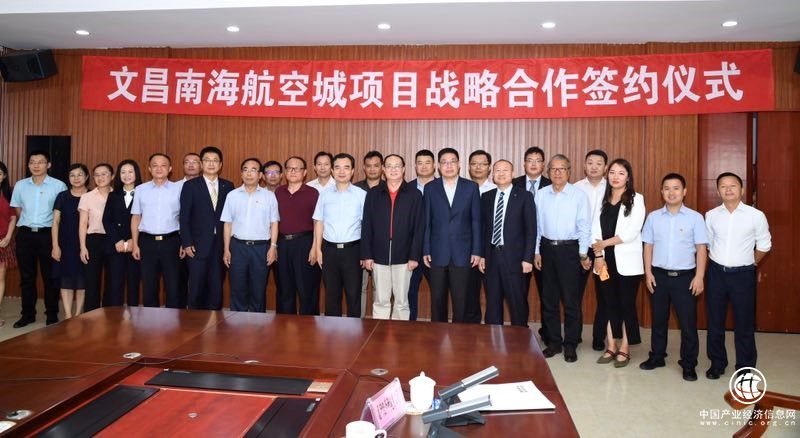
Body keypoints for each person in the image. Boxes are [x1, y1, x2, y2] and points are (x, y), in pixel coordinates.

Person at [640, 173, 708, 382]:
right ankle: (657, 356)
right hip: (658, 276)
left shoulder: (695, 218)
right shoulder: (653, 217)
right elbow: (648, 246)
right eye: (667, 188)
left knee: (687, 324)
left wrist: (699, 277)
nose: (671, 192)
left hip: (685, 278)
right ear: (661, 192)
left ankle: (689, 364)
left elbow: (701, 248)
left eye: (676, 188)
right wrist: (648, 273)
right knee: (658, 320)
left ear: (684, 191)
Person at [704, 172, 771, 379]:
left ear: (741, 190)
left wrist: (751, 262)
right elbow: (708, 243)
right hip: (716, 273)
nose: (728, 189)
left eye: (733, 185)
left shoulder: (755, 215)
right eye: (723, 186)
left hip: (743, 275)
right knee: (715, 322)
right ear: (718, 191)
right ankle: (717, 363)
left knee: (744, 324)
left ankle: (745, 368)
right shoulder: (711, 215)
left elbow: (764, 244)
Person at [534, 154, 591, 362]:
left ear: (569, 171)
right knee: (548, 300)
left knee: (571, 301)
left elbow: (585, 226)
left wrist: (583, 253)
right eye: (554, 169)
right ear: (548, 172)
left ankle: (570, 345)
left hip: (570, 251)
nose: (557, 172)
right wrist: (536, 251)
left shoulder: (579, 195)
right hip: (547, 249)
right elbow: (536, 226)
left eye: (562, 169)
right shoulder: (541, 195)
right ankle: (554, 343)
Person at [591, 159, 645, 368]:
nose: (615, 176)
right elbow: (594, 230)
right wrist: (598, 256)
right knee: (607, 302)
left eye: (621, 173)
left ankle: (625, 347)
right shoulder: (602, 199)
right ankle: (611, 345)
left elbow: (632, 232)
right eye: (612, 172)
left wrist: (604, 243)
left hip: (627, 262)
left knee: (626, 304)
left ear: (628, 177)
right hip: (604, 260)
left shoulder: (636, 199)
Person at [361, 154, 424, 320]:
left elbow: (419, 228)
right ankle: (380, 332)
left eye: (397, 166)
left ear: (403, 169)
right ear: (383, 169)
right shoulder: (374, 194)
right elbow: (366, 225)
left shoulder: (414, 194)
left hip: (404, 255)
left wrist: (414, 256)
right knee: (381, 300)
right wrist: (367, 255)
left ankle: (400, 333)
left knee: (402, 301)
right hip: (378, 255)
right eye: (389, 166)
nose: (393, 169)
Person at [423, 148, 481, 323]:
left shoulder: (471, 187)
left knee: (461, 300)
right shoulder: (430, 188)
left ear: (459, 164)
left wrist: (476, 250)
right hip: (437, 252)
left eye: (452, 161)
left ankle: (459, 335)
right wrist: (426, 249)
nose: (448, 166)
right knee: (437, 300)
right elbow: (427, 221)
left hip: (463, 253)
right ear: (438, 166)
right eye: (444, 162)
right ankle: (437, 334)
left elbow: (476, 221)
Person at [11, 151, 68, 327]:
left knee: (50, 277)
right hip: (25, 235)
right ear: (28, 165)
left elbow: (62, 213)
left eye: (40, 162)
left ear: (48, 165)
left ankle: (51, 314)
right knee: (26, 277)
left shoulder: (59, 186)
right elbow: (18, 209)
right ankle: (28, 314)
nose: (36, 165)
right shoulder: (20, 185)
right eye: (32, 162)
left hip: (48, 235)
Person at [479, 160, 536, 327]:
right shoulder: (487, 197)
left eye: (505, 170)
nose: (501, 174)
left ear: (512, 174)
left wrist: (528, 258)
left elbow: (531, 230)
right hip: (491, 256)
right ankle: (493, 337)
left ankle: (520, 338)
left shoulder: (524, 196)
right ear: (492, 174)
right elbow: (483, 229)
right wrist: (482, 255)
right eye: (497, 170)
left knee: (517, 302)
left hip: (516, 259)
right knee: (492, 303)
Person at [221, 158, 279, 312]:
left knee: (258, 290)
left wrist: (273, 247)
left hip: (261, 248)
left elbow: (274, 223)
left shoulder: (269, 196)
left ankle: (257, 323)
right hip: (237, 247)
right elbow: (227, 224)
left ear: (260, 175)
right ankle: (236, 322)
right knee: (237, 288)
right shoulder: (232, 195)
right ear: (241, 174)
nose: (249, 173)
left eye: (253, 170)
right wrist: (226, 249)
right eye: (245, 170)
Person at [313, 153, 367, 317]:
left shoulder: (361, 194)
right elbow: (319, 222)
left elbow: (367, 226)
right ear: (332, 170)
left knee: (353, 294)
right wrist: (318, 249)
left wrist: (365, 253)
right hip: (329, 250)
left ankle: (354, 329)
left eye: (346, 167)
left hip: (353, 251)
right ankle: (332, 330)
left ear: (352, 171)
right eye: (337, 167)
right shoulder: (324, 195)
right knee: (331, 295)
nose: (341, 171)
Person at [180, 146, 233, 310]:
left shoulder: (228, 186)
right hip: (196, 246)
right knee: (196, 288)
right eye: (207, 160)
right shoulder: (190, 186)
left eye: (215, 160)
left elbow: (231, 217)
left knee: (216, 288)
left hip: (220, 245)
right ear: (202, 164)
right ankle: (194, 322)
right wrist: (187, 242)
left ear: (221, 164)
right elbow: (184, 217)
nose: (211, 164)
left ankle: (215, 321)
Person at [131, 153, 185, 308]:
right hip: (147, 242)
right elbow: (136, 217)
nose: (159, 169)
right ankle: (150, 321)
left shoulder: (179, 189)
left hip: (172, 242)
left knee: (173, 286)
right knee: (149, 287)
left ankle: (173, 321)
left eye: (163, 165)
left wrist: (184, 242)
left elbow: (184, 217)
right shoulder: (140, 189)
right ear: (149, 169)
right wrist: (135, 244)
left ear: (170, 168)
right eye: (155, 165)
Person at [513, 146, 551, 338]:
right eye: (530, 160)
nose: (534, 164)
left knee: (547, 292)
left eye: (538, 160)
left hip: (545, 247)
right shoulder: (513, 184)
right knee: (519, 291)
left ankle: (547, 331)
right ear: (524, 164)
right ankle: (521, 329)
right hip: (520, 248)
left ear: (543, 164)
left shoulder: (552, 184)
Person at [275, 156, 321, 315]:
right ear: (285, 172)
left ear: (305, 172)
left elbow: (318, 222)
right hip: (282, 244)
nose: (293, 171)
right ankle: (284, 322)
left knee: (306, 288)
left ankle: (308, 324)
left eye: (297, 168)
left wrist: (315, 247)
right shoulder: (278, 192)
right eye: (289, 168)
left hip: (305, 243)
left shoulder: (313, 193)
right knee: (284, 288)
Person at [575, 149, 610, 351]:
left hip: (604, 250)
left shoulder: (613, 187)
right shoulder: (576, 188)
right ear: (584, 165)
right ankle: (575, 335)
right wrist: (581, 252)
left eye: (598, 163)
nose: (594, 167)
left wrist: (600, 251)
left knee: (604, 294)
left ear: (605, 168)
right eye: (590, 162)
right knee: (574, 294)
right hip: (580, 249)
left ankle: (599, 337)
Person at [103, 159, 142, 306]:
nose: (127, 175)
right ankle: (115, 316)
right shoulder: (113, 195)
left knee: (134, 283)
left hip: (136, 246)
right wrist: (117, 240)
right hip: (116, 246)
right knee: (115, 284)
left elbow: (145, 218)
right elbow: (107, 220)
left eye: (130, 172)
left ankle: (134, 315)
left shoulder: (143, 193)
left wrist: (133, 240)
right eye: (123, 172)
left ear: (136, 173)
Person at [51, 163, 88, 320]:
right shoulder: (62, 196)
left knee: (82, 280)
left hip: (86, 244)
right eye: (72, 175)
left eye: (79, 175)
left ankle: (78, 315)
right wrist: (55, 246)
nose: (76, 178)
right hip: (65, 243)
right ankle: (67, 315)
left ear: (86, 177)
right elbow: (55, 222)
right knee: (65, 279)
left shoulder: (92, 195)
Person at [78, 163, 114, 312]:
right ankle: (91, 315)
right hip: (93, 240)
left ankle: (109, 314)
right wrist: (83, 247)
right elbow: (82, 223)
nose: (100, 177)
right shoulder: (87, 197)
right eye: (97, 175)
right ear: (93, 178)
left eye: (104, 174)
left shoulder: (118, 195)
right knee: (92, 280)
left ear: (112, 176)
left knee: (112, 280)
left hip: (113, 240)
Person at [466, 149, 496, 324]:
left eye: (482, 164)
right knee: (470, 293)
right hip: (468, 250)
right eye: (474, 164)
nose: (478, 167)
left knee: (493, 292)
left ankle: (492, 328)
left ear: (489, 167)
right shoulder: (463, 189)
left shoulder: (496, 190)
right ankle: (472, 326)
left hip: (491, 250)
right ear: (469, 167)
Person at [354, 150, 384, 317]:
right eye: (369, 166)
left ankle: (378, 322)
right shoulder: (355, 188)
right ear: (364, 168)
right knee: (361, 286)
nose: (372, 169)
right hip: (360, 244)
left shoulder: (389, 187)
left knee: (380, 288)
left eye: (376, 165)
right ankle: (360, 322)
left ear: (382, 168)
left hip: (382, 245)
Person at [407, 149, 436, 321]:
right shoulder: (406, 188)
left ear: (434, 165)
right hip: (411, 249)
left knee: (438, 291)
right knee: (409, 291)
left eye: (427, 163)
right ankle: (410, 325)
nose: (424, 166)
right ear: (415, 166)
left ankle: (438, 326)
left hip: (436, 250)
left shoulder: (443, 187)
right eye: (420, 163)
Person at [0, 161, 17, 327]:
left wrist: (8, 237)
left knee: (0, 277)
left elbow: (13, 217)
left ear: (4, 175)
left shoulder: (9, 193)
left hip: (3, 241)